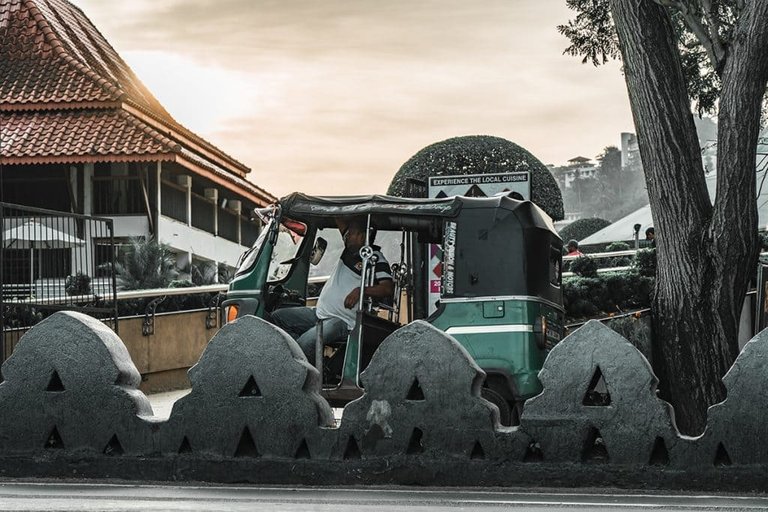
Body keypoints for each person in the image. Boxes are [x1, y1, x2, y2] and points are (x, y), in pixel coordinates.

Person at [271, 217, 394, 364]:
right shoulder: (348, 250)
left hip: (342, 321)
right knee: (277, 318)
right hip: (320, 313)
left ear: (363, 235)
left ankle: (308, 373)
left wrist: (360, 290)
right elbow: (339, 219)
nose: (347, 236)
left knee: (305, 344)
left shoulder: (375, 257)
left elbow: (387, 288)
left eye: (352, 232)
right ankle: (313, 362)